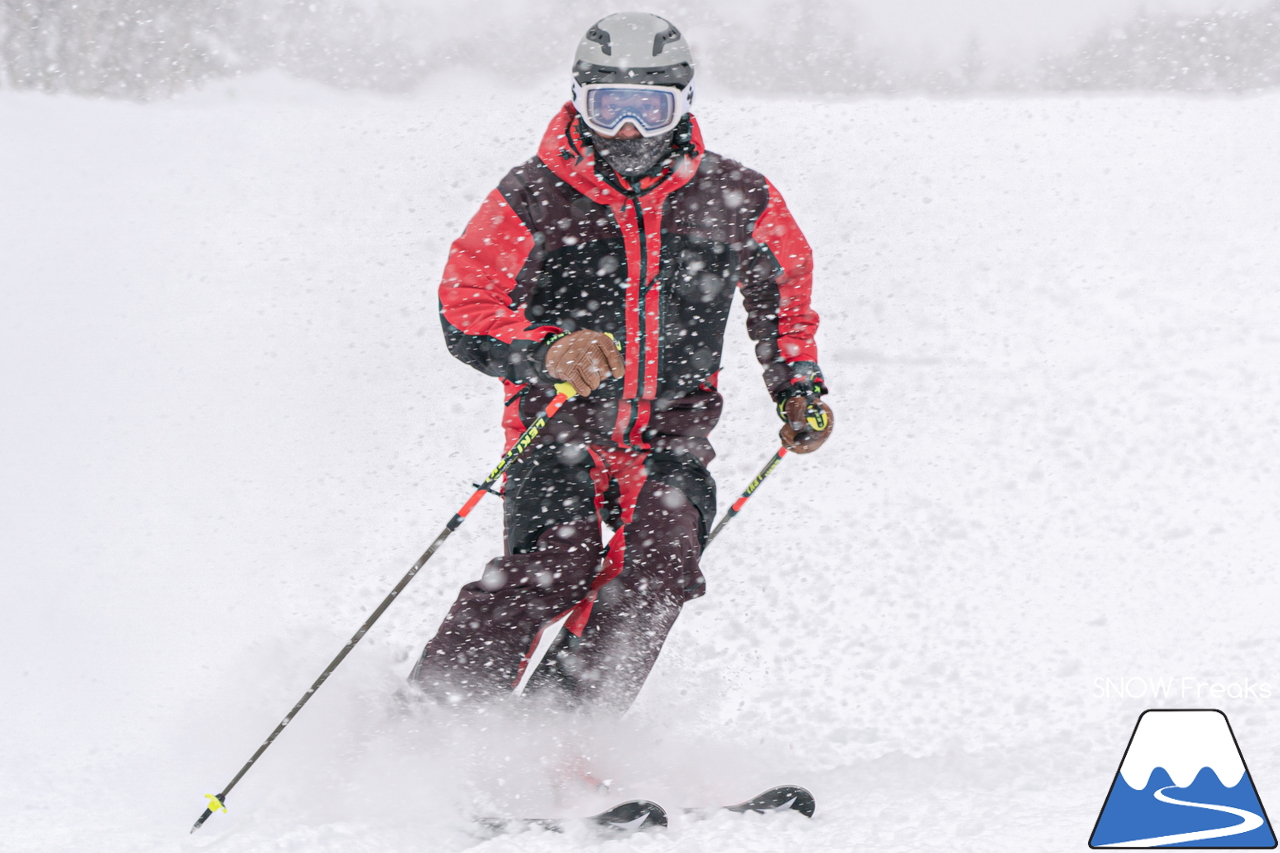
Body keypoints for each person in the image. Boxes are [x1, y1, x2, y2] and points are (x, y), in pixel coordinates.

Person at [410, 12, 833, 714]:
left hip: (670, 433)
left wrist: (798, 389)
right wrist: (548, 350)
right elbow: (466, 304)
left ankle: (558, 731)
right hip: (559, 427)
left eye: (649, 109)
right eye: (609, 110)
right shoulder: (535, 195)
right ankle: (431, 720)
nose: (629, 132)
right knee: (555, 564)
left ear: (684, 105)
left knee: (660, 566)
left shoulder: (740, 199)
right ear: (579, 102)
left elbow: (785, 299)